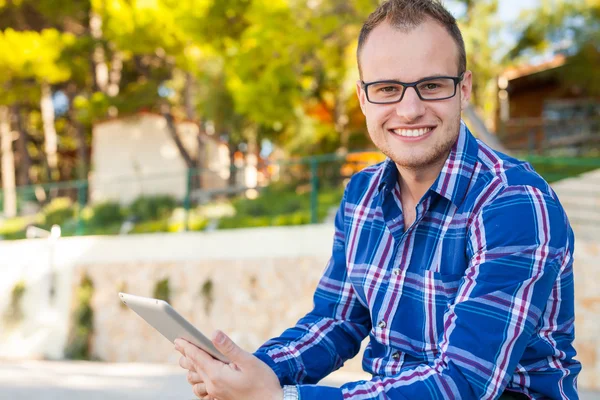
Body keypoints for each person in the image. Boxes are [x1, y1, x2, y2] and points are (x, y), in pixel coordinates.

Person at [175, 0, 581, 398]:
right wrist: (251, 373)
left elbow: (463, 383)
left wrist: (283, 398)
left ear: (465, 89)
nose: (409, 110)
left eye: (432, 85)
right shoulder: (361, 194)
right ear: (363, 97)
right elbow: (336, 321)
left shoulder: (514, 202)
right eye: (387, 88)